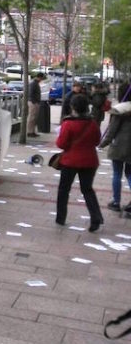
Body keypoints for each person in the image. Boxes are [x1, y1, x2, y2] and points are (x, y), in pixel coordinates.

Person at [55, 94, 103, 232]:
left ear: (73, 107)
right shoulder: (92, 123)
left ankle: (61, 217)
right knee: (87, 190)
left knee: (64, 189)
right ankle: (95, 217)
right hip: (90, 161)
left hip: (70, 161)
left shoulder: (68, 123)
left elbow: (61, 144)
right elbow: (96, 141)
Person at [99, 82, 131, 215]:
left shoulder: (119, 109)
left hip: (119, 146)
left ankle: (116, 202)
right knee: (129, 174)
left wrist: (102, 144)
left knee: (117, 174)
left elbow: (112, 130)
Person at [27, 72, 46, 138]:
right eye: (42, 78)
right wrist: (34, 102)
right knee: (32, 117)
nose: (41, 80)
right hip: (33, 102)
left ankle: (32, 131)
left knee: (34, 118)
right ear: (40, 77)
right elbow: (31, 93)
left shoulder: (35, 83)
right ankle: (30, 132)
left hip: (35, 102)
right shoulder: (34, 84)